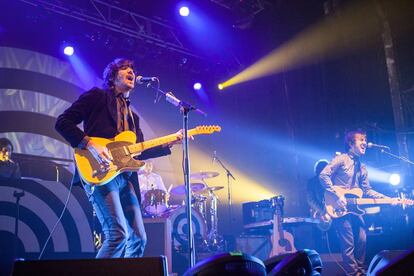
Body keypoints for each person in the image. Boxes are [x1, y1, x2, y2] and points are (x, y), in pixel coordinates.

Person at [55, 58, 182, 258]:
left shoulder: (134, 117)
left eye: (132, 68)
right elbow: (62, 122)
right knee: (117, 235)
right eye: (125, 68)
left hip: (126, 179)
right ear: (113, 76)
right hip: (100, 171)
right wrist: (90, 144)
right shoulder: (97, 96)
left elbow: (138, 152)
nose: (131, 71)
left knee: (139, 238)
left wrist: (168, 144)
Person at [319, 130, 392, 276]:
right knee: (348, 244)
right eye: (361, 140)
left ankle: (361, 272)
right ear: (351, 144)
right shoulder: (341, 159)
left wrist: (388, 199)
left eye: (365, 139)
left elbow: (367, 190)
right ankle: (353, 274)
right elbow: (323, 175)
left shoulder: (362, 167)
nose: (365, 142)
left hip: (355, 208)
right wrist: (336, 193)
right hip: (339, 206)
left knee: (362, 240)